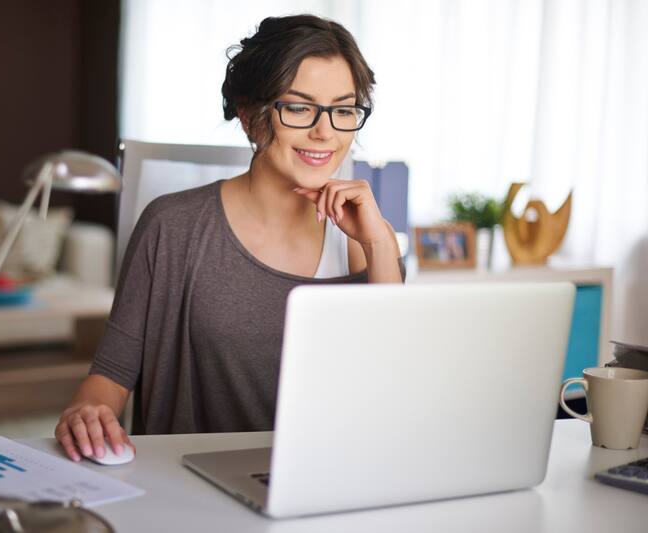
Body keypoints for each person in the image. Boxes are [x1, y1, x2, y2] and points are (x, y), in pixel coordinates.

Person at [55, 14, 405, 463]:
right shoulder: (172, 225)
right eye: (298, 107)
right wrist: (89, 410)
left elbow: (393, 392)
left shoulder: (369, 239)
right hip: (190, 487)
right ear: (250, 116)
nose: (326, 132)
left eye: (343, 109)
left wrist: (379, 247)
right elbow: (110, 376)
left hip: (329, 481)